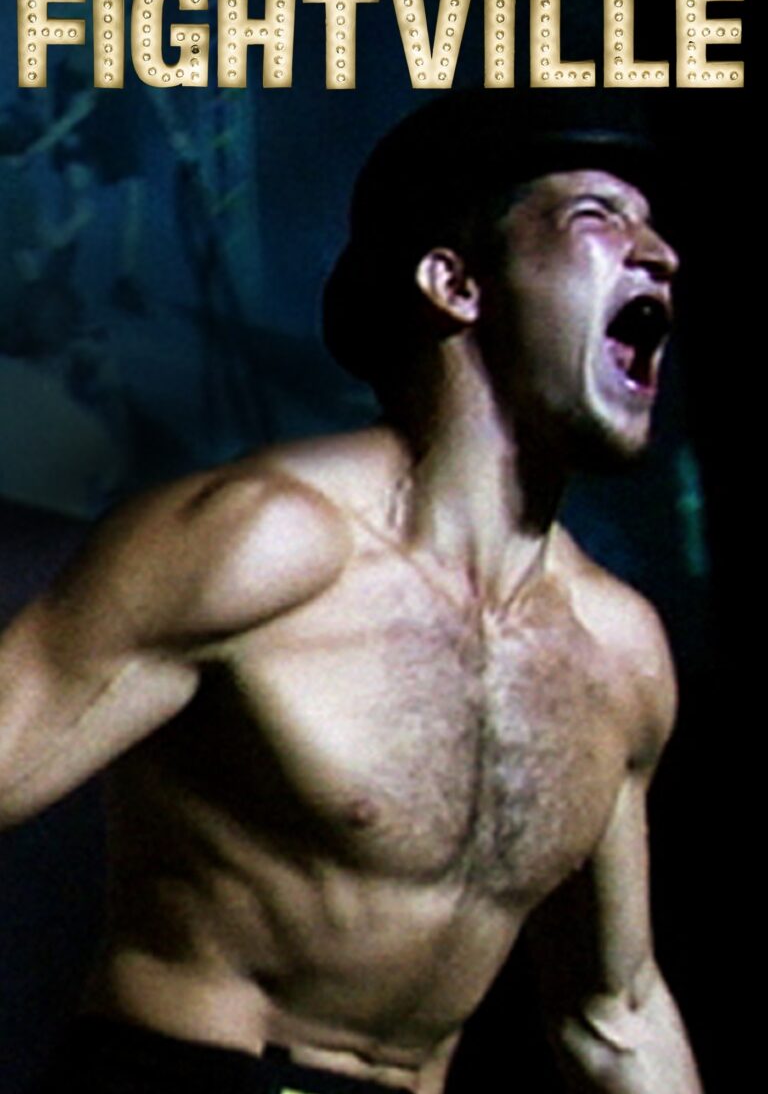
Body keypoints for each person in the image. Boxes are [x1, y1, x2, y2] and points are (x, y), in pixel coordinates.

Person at [0, 92, 701, 1094]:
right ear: (456, 283)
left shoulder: (621, 657)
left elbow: (614, 1017)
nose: (660, 254)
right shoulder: (263, 545)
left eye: (654, 226)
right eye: (599, 216)